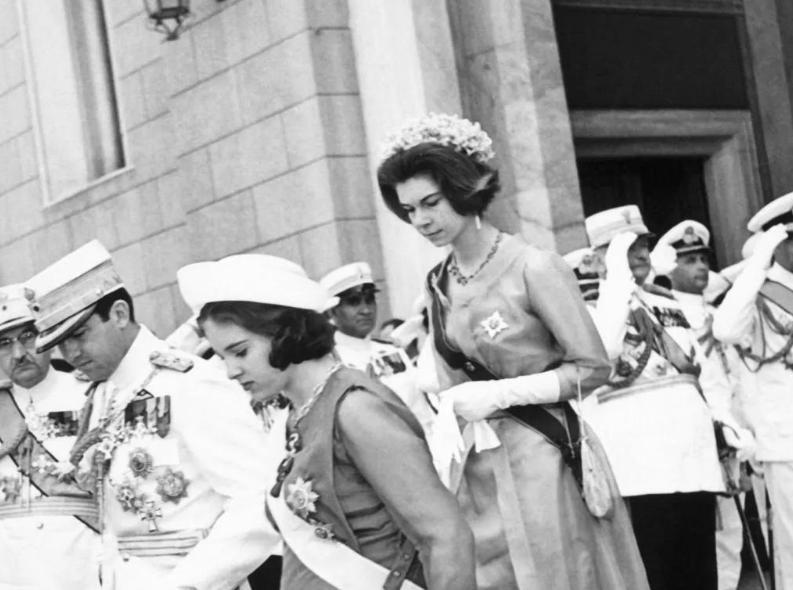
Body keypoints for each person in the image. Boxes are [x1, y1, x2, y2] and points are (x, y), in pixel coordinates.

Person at [376, 112, 648, 590]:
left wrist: (501, 394)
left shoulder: (532, 267)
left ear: (463, 189)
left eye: (431, 203)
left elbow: (592, 367)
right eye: (409, 209)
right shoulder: (437, 284)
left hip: (543, 453)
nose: (420, 220)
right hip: (477, 464)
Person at [176, 253, 475, 590]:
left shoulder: (355, 409)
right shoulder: (294, 414)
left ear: (284, 333)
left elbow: (445, 536)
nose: (231, 371)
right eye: (223, 357)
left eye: (241, 352)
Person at [27, 240, 280, 590]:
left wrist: (188, 584)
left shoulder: (189, 383)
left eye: (80, 334)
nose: (70, 353)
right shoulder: (102, 395)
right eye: (60, 342)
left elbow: (258, 502)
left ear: (119, 314)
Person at [584, 206, 725, 590]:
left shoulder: (667, 301)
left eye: (642, 244)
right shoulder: (589, 306)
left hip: (692, 457)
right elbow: (605, 351)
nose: (640, 254)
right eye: (624, 246)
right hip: (640, 464)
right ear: (597, 256)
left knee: (700, 574)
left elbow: (700, 371)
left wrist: (721, 425)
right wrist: (616, 279)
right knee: (655, 573)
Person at [654, 220, 757, 590]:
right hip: (707, 431)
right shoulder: (665, 314)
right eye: (689, 260)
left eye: (703, 259)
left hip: (742, 428)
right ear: (669, 268)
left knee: (742, 530)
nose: (700, 267)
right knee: (717, 533)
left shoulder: (718, 312)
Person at [712, 192, 793, 590]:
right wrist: (758, 264)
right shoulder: (756, 292)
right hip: (786, 439)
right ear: (780, 243)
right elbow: (725, 329)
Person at [0, 284, 101, 590]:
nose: (19, 353)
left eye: (28, 336)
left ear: (48, 335)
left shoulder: (90, 394)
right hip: (14, 573)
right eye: (4, 343)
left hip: (84, 568)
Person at [319, 262, 434, 434]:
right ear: (331, 311)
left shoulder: (391, 350)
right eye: (354, 302)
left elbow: (422, 412)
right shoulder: (327, 362)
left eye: (370, 299)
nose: (366, 310)